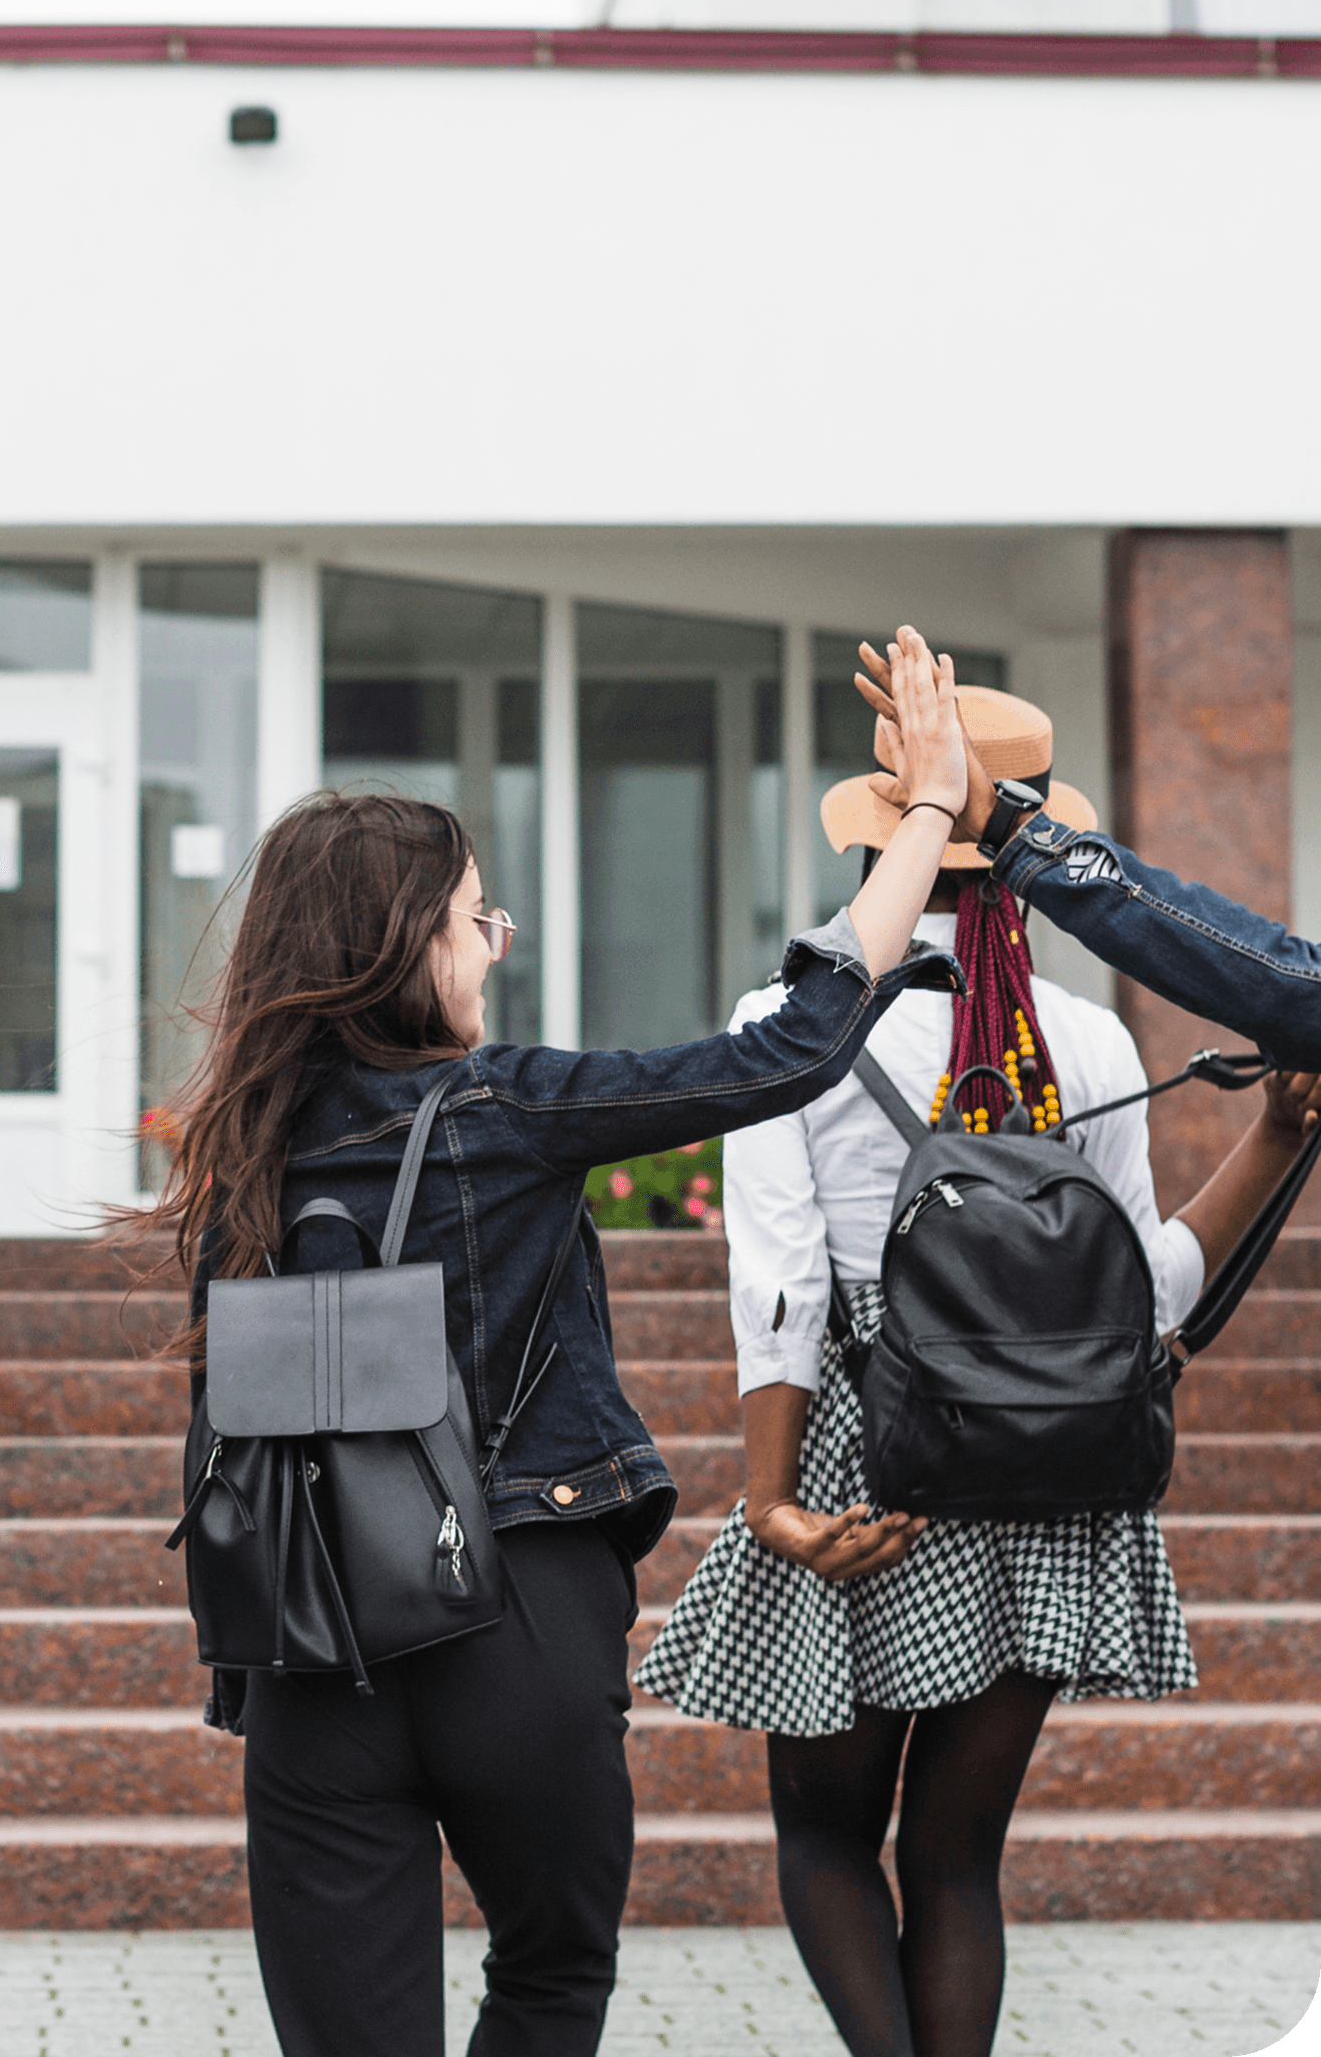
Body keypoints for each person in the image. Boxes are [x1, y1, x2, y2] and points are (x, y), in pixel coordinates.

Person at [123, 630, 973, 2057]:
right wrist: (933, 808)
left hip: (309, 1646)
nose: (493, 945)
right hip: (515, 1605)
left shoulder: (242, 1150)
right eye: (478, 919)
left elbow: (233, 1431)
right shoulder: (505, 1107)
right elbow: (791, 1049)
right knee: (552, 1973)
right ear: (410, 944)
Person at [636, 684, 1314, 2057]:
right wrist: (1275, 1142)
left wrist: (770, 1499)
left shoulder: (793, 1020)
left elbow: (780, 1286)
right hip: (1049, 1474)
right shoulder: (1091, 1040)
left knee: (826, 1838)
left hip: (865, 1462)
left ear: (875, 843)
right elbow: (1144, 1308)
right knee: (959, 1860)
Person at [855, 640, 1321, 1068]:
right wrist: (1005, 826)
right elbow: (1283, 990)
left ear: (879, 845)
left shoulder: (828, 1018)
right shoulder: (1098, 1042)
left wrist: (1002, 825)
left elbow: (1285, 990)